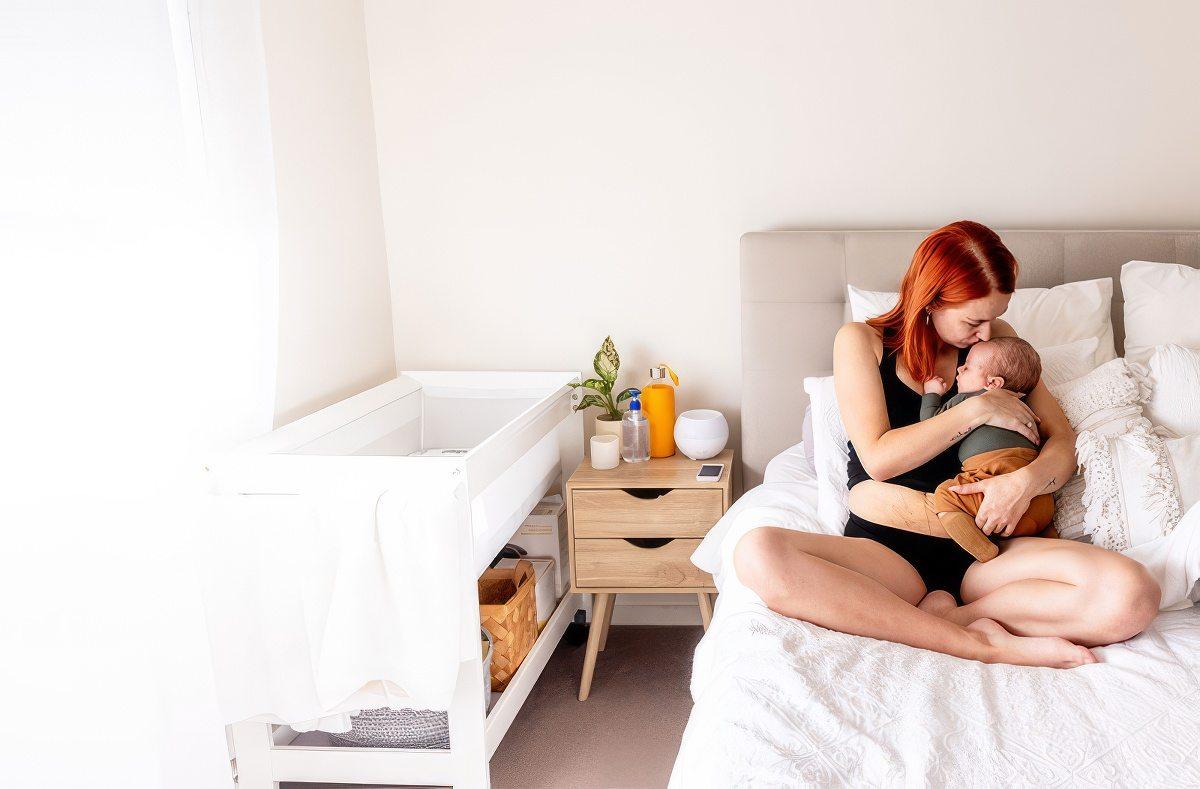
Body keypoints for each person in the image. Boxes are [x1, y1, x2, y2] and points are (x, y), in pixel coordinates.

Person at [733, 220, 1160, 668]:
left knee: (1134, 594)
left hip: (988, 544)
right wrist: (975, 409)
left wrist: (1024, 484)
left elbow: (1063, 444)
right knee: (757, 552)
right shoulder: (861, 342)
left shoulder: (996, 346)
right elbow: (879, 459)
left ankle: (962, 618)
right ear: (932, 299)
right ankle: (978, 645)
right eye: (974, 320)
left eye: (993, 318)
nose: (986, 333)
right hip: (891, 548)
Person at [917, 336, 1055, 562]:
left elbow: (930, 427)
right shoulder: (1024, 406)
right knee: (1041, 528)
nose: (960, 368)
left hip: (993, 477)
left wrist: (931, 393)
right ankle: (1050, 538)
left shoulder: (968, 400)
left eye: (968, 367)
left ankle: (985, 551)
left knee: (947, 495)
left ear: (993, 384)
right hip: (1040, 500)